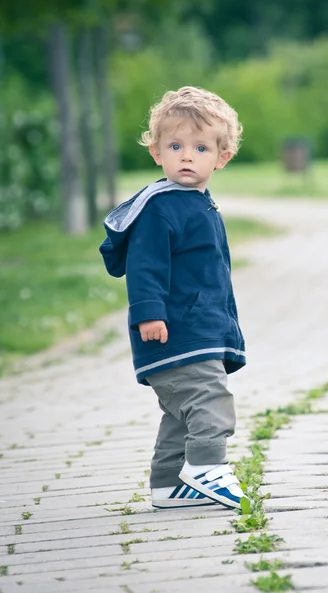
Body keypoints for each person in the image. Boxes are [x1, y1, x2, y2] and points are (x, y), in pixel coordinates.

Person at [99, 86, 247, 510]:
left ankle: (168, 484)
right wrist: (148, 313)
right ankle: (206, 467)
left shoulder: (197, 203)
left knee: (182, 413)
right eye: (175, 145)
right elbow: (145, 267)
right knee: (209, 399)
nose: (186, 156)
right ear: (156, 153)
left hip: (195, 327)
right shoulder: (161, 209)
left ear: (221, 157)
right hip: (176, 332)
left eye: (200, 147)